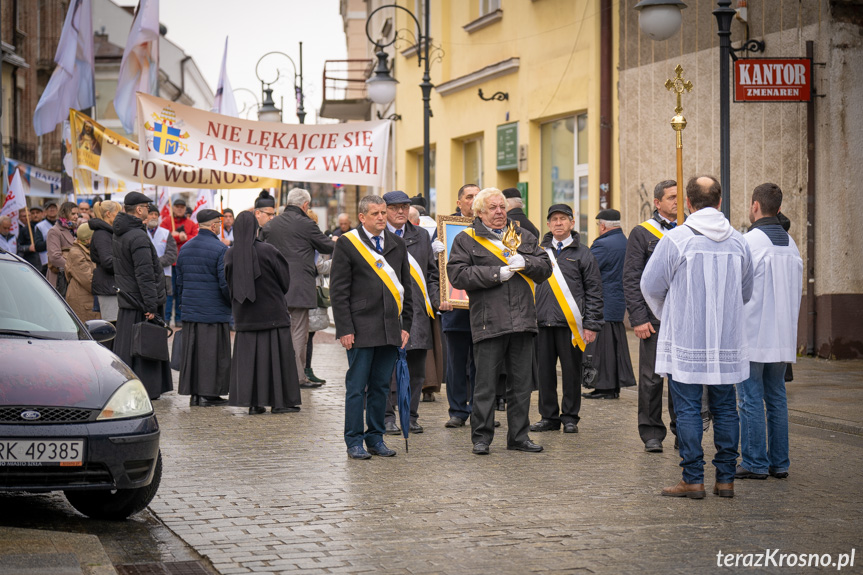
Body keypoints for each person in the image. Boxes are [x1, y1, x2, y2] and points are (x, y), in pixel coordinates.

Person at [641, 175, 754, 499]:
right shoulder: (738, 241)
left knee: (688, 408)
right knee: (725, 409)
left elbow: (649, 285)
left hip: (687, 337)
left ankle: (692, 478)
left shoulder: (677, 239)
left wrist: (670, 313)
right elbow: (745, 291)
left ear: (689, 204)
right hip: (725, 339)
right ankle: (726, 478)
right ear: (720, 202)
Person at [447, 187, 553, 455]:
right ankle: (481, 438)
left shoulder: (523, 237)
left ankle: (519, 437)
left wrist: (526, 262)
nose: (499, 212)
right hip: (488, 321)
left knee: (521, 386)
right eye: (493, 208)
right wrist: (497, 273)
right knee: (485, 386)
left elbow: (545, 269)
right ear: (479, 212)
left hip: (523, 321)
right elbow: (458, 275)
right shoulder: (466, 239)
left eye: (502, 207)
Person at [330, 195, 413, 460]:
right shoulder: (348, 243)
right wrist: (344, 328)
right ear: (363, 217)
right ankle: (354, 440)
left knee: (380, 387)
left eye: (382, 212)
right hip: (360, 326)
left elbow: (406, 288)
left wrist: (406, 325)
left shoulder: (397, 244)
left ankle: (375, 438)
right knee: (357, 387)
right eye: (375, 213)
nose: (380, 217)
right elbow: (339, 290)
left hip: (390, 327)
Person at [736, 183, 803, 481]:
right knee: (776, 397)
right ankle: (780, 463)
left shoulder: (749, 242)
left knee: (749, 398)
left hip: (752, 332)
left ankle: (754, 462)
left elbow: (736, 287)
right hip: (782, 334)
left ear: (755, 206)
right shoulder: (791, 244)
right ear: (778, 207)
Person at [531, 204, 603, 434]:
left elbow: (594, 290)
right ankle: (548, 417)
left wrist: (591, 324)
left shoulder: (584, 253)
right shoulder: (538, 251)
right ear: (548, 224)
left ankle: (570, 417)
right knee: (545, 374)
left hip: (571, 325)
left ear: (572, 223)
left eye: (563, 219)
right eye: (554, 219)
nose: (558, 223)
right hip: (541, 322)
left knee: (571, 373)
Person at [225, 212, 302, 415]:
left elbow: (228, 284)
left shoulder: (230, 254)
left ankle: (254, 403)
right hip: (272, 314)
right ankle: (279, 402)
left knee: (250, 362)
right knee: (277, 360)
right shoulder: (268, 251)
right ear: (255, 229)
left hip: (245, 317)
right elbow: (285, 281)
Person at [623, 180, 680, 453]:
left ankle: (684, 429)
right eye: (671, 197)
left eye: (680, 197)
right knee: (651, 378)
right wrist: (638, 317)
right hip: (653, 319)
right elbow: (632, 278)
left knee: (683, 377)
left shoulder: (688, 231)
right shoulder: (642, 233)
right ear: (657, 202)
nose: (676, 202)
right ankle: (651, 432)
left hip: (683, 317)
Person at [262, 188, 335, 390]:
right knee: (299, 334)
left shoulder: (271, 224)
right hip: (300, 288)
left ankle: (277, 375)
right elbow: (327, 247)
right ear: (305, 205)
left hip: (275, 287)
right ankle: (297, 377)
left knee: (278, 332)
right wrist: (336, 241)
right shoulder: (307, 224)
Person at [381, 191, 440, 436]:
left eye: (404, 207)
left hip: (417, 311)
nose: (400, 212)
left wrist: (439, 300)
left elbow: (432, 274)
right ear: (385, 210)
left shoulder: (422, 236)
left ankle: (411, 415)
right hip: (385, 312)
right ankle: (387, 417)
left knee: (416, 369)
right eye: (395, 208)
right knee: (386, 367)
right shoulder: (376, 236)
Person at [112, 192, 172, 400]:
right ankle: (147, 387)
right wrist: (151, 306)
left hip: (129, 299)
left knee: (130, 347)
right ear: (139, 209)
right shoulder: (137, 235)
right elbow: (145, 274)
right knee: (144, 347)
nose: (148, 209)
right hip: (140, 302)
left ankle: (129, 385)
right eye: (146, 206)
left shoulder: (122, 231)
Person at [176, 209, 232, 408]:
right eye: (219, 223)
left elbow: (180, 281)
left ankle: (195, 394)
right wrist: (231, 303)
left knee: (194, 354)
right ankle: (209, 395)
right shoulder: (220, 249)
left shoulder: (186, 247)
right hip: (213, 311)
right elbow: (225, 283)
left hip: (192, 309)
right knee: (212, 354)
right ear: (214, 225)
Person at [585, 209, 636, 399]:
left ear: (603, 225)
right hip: (617, 302)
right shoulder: (625, 241)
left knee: (602, 348)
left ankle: (604, 387)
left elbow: (588, 270)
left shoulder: (603, 245)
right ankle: (612, 387)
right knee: (615, 347)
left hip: (603, 302)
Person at [441, 184, 479, 427]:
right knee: (456, 364)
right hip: (454, 308)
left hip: (483, 309)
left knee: (482, 363)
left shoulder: (493, 229)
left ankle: (479, 409)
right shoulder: (445, 230)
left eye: (478, 196)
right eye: (469, 197)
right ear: (459, 202)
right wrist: (440, 295)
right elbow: (435, 270)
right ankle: (457, 410)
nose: (474, 201)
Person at [161, 197, 198, 326]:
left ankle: (179, 318)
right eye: (177, 206)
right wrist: (177, 237)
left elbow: (195, 239)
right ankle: (166, 318)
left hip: (185, 263)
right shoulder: (166, 222)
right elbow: (162, 238)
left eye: (182, 206)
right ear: (173, 208)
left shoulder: (191, 224)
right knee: (169, 292)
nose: (180, 208)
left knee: (182, 291)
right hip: (170, 264)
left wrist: (184, 237)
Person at [304, 208, 330, 385]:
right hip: (310, 290)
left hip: (308, 290)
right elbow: (320, 267)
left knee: (308, 335)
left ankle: (307, 369)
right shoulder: (310, 245)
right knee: (307, 335)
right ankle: (305, 370)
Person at [89, 201, 122, 334]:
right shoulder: (102, 234)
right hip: (108, 288)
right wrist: (126, 263)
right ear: (108, 214)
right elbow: (108, 262)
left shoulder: (108, 232)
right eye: (118, 213)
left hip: (111, 287)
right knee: (111, 331)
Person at [64, 222, 99, 321]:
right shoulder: (76, 253)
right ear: (88, 239)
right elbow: (88, 280)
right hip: (83, 301)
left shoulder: (88, 250)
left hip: (88, 299)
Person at [146, 204, 178, 299]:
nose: (154, 216)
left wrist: (155, 262)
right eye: (151, 214)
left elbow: (172, 254)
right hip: (146, 274)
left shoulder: (166, 233)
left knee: (163, 308)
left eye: (156, 214)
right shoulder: (141, 232)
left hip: (163, 275)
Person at [46, 202, 79, 290]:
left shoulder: (75, 230)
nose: (76, 216)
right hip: (60, 279)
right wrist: (75, 268)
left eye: (77, 214)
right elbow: (55, 257)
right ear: (64, 214)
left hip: (71, 278)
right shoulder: (54, 231)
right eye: (73, 214)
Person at [36, 202, 58, 274]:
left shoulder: (62, 224)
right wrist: (52, 241)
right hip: (46, 262)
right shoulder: (40, 226)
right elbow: (38, 246)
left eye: (54, 208)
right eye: (49, 208)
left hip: (60, 260)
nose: (52, 210)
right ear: (45, 211)